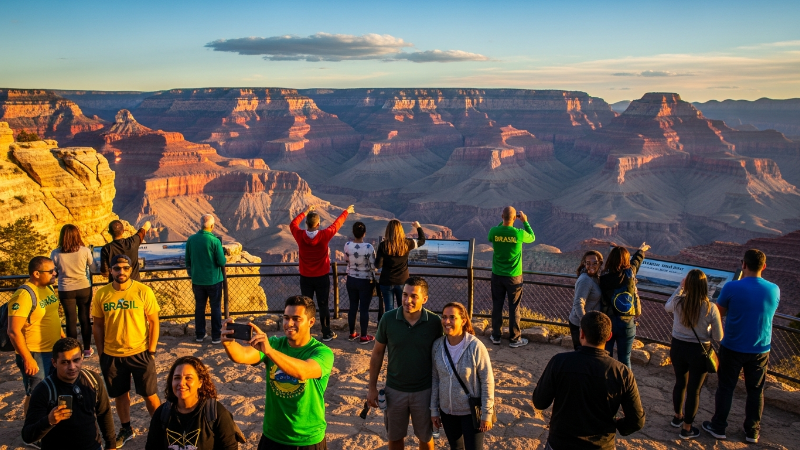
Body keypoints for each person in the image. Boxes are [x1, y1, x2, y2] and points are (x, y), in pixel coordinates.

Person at [220, 295, 334, 450]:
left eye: (296, 319)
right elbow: (242, 356)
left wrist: (270, 352)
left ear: (311, 322)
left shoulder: (322, 352)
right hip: (273, 436)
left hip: (308, 440)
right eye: (286, 318)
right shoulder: (274, 344)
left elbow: (304, 371)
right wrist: (229, 343)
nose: (289, 324)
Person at [533, 311, 645, 450]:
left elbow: (540, 402)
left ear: (582, 334)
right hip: (602, 446)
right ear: (609, 336)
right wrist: (618, 426)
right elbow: (637, 421)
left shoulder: (559, 362)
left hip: (561, 443)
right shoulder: (622, 373)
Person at [702, 249, 779, 444]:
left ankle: (719, 427)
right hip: (761, 349)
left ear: (743, 264)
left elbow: (717, 313)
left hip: (733, 346)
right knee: (755, 390)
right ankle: (752, 431)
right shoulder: (774, 289)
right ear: (764, 266)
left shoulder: (731, 287)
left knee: (726, 388)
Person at [92, 254, 161, 448]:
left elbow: (154, 321)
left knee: (150, 394)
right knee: (120, 395)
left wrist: (152, 351)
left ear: (130, 270)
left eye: (125, 268)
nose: (121, 271)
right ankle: (126, 428)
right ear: (111, 270)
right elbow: (97, 325)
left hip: (140, 352)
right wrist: (101, 352)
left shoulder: (143, 291)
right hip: (112, 355)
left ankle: (162, 428)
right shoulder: (102, 294)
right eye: (116, 268)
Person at [367, 276, 443, 450]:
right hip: (394, 390)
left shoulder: (434, 323)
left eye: (414, 296)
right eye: (405, 295)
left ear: (424, 299)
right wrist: (371, 387)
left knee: (426, 437)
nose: (407, 300)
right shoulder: (388, 319)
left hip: (424, 391)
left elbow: (442, 356)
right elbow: (377, 353)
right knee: (394, 438)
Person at [22, 337, 116, 450]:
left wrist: (111, 445)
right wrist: (49, 421)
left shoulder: (93, 380)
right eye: (65, 362)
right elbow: (27, 436)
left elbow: (104, 413)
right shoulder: (43, 390)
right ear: (54, 362)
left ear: (82, 358)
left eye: (76, 360)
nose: (72, 367)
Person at [665, 269, 723, 440]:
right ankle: (687, 428)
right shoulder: (710, 307)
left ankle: (677, 417)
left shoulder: (678, 301)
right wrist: (707, 328)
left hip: (677, 347)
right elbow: (719, 337)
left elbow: (666, 306)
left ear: (687, 284)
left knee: (680, 383)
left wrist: (680, 287)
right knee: (694, 390)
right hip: (699, 351)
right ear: (705, 286)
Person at [431, 302, 494, 450]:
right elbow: (435, 379)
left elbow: (487, 381)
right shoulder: (438, 346)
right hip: (447, 412)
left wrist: (487, 413)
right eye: (444, 317)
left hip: (470, 413)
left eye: (452, 317)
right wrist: (434, 410)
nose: (447, 322)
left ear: (463, 321)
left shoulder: (475, 346)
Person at [7, 256, 63, 420]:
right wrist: (28, 358)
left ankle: (48, 424)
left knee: (53, 389)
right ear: (36, 273)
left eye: (55, 270)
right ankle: (32, 432)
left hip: (53, 351)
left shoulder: (48, 288)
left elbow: (52, 317)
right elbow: (13, 331)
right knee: (36, 394)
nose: (55, 274)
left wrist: (64, 340)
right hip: (35, 353)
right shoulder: (24, 295)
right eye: (51, 271)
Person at [146, 356, 239, 450]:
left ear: (200, 382)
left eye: (188, 378)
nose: (181, 383)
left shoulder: (216, 413)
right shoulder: (162, 413)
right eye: (177, 378)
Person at [290, 204, 353, 341]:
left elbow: (293, 223)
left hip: (305, 277)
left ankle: (305, 333)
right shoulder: (325, 235)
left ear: (306, 224)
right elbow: (337, 224)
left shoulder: (300, 235)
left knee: (305, 306)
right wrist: (346, 211)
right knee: (323, 304)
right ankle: (326, 333)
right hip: (322, 277)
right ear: (318, 224)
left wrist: (305, 211)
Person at [487, 206, 534, 348]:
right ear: (515, 218)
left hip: (497, 275)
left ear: (501, 216)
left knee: (497, 305)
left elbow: (494, 234)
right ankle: (515, 339)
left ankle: (496, 336)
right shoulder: (518, 233)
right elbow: (532, 237)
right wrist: (525, 222)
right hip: (514, 277)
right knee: (514, 307)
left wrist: (504, 222)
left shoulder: (494, 231)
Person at [599, 243, 649, 368]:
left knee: (606, 356)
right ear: (626, 260)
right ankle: (625, 384)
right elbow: (636, 262)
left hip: (609, 322)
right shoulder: (630, 274)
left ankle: (606, 384)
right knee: (625, 358)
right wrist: (641, 250)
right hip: (627, 322)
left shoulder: (603, 278)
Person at [51, 224, 96, 358]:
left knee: (70, 319)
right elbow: (93, 268)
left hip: (65, 289)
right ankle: (87, 350)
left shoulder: (55, 253)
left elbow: (54, 272)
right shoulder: (85, 251)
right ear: (77, 235)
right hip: (84, 287)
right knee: (85, 318)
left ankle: (73, 351)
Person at [186, 214, 227, 344]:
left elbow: (187, 260)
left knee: (199, 307)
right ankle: (216, 336)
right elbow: (221, 261)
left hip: (197, 280)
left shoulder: (191, 240)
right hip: (213, 280)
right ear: (212, 226)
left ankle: (200, 335)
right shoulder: (215, 241)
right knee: (215, 308)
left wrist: (192, 274)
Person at [375, 219, 425, 315]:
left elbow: (378, 265)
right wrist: (418, 227)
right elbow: (422, 240)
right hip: (402, 281)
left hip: (386, 281)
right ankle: (401, 328)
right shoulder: (407, 243)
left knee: (388, 309)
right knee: (403, 307)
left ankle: (390, 328)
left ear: (388, 231)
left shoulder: (383, 245)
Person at [343, 221, 376, 344]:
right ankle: (363, 336)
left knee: (353, 306)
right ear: (364, 233)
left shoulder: (347, 245)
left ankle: (352, 333)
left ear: (353, 233)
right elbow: (373, 265)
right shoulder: (368, 247)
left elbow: (346, 259)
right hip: (365, 281)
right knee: (364, 309)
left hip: (351, 279)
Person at [568, 250, 604, 350]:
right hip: (580, 323)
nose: (591, 266)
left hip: (588, 323)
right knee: (581, 353)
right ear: (584, 264)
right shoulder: (585, 280)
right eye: (588, 263)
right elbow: (578, 303)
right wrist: (585, 324)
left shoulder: (595, 278)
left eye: (595, 263)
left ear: (600, 263)